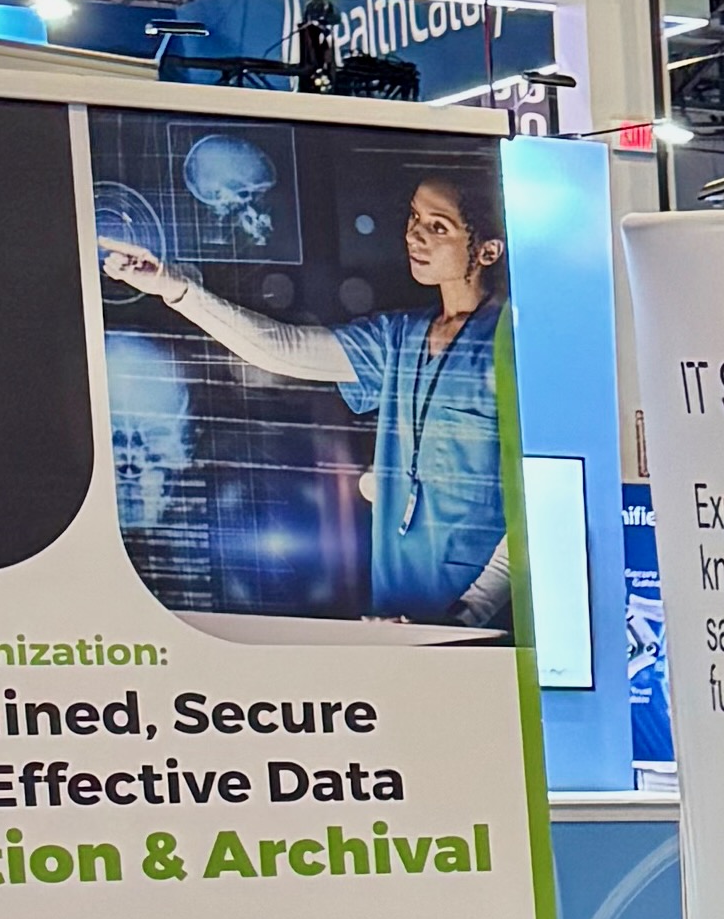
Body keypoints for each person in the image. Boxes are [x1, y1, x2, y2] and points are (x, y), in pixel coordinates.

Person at [99, 169, 513, 623]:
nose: (414, 235)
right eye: (414, 217)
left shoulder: (515, 348)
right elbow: (284, 349)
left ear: (488, 250)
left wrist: (470, 614)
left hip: (485, 632)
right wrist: (175, 287)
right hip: (394, 619)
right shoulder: (400, 337)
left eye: (438, 227)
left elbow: (539, 505)